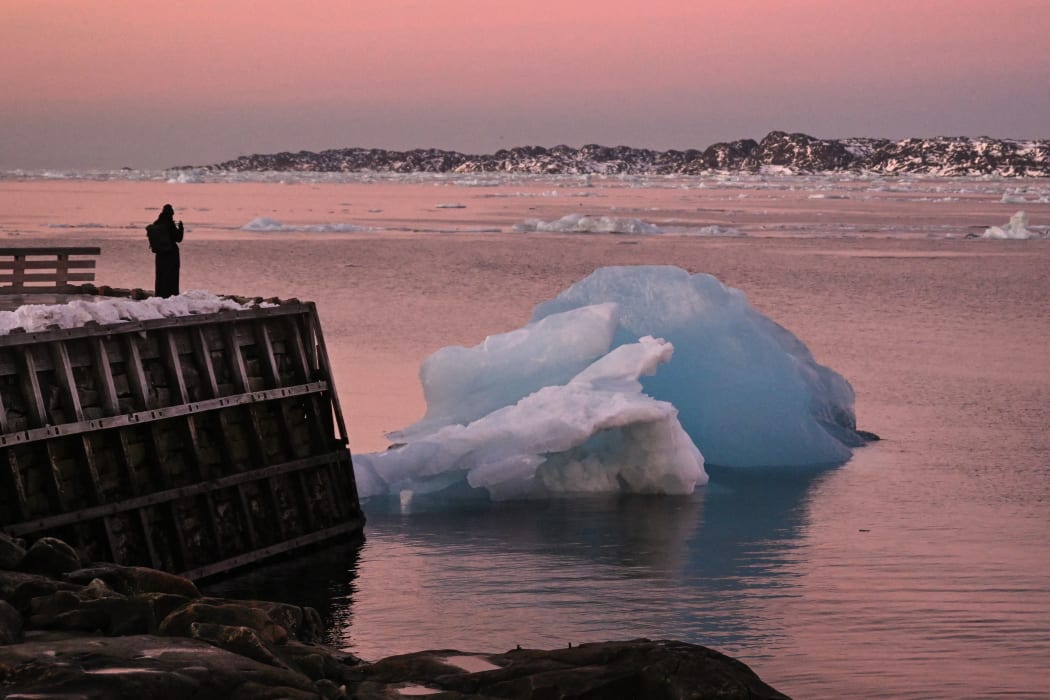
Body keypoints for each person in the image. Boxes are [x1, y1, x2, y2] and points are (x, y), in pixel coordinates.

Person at [147, 203, 184, 297]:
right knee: (172, 276)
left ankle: (160, 295)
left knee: (161, 276)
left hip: (160, 254)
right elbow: (178, 238)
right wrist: (181, 228)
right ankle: (171, 296)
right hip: (171, 254)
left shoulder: (157, 223)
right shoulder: (169, 224)